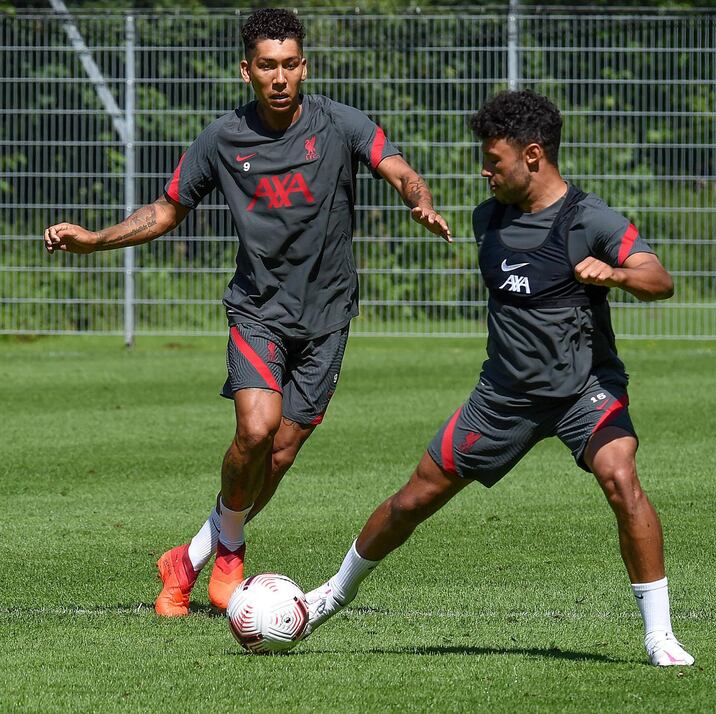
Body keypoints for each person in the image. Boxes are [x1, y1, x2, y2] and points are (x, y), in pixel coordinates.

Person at [43, 8, 451, 617]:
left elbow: (397, 168)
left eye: (290, 64)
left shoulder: (341, 124)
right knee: (255, 431)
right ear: (247, 71)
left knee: (281, 454)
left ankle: (185, 560)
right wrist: (96, 239)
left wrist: (418, 200)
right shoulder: (221, 139)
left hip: (329, 317)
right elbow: (166, 209)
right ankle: (230, 550)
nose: (280, 77)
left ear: (304, 66)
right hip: (258, 309)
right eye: (268, 66)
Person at [303, 90, 694, 667]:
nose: (484, 170)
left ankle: (660, 636)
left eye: (495, 160)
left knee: (620, 476)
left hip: (583, 390)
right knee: (413, 501)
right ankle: (331, 595)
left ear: (533, 155)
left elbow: (659, 278)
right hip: (503, 396)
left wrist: (613, 273)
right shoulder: (488, 218)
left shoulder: (589, 219)